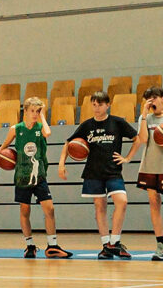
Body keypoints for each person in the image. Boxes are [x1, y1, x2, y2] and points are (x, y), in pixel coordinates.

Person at [59, 90, 140, 259]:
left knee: (122, 202)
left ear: (108, 105)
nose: (96, 108)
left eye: (100, 105)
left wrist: (127, 158)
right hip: (93, 172)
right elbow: (68, 142)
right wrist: (61, 164)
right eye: (94, 105)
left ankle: (114, 241)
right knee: (99, 206)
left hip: (113, 171)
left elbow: (137, 139)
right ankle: (106, 245)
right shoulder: (87, 125)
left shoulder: (117, 122)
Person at [0, 97, 72, 258]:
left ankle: (52, 245)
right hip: (22, 176)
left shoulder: (40, 127)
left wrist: (43, 115)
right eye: (32, 111)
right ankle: (29, 245)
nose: (35, 114)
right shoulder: (16, 129)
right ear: (25, 111)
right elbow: (2, 149)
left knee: (49, 208)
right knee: (25, 209)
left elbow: (48, 133)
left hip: (39, 174)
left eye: (38, 111)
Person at [135, 87, 163, 259]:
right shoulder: (145, 118)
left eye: (154, 98)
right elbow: (144, 139)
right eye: (148, 99)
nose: (152, 102)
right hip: (151, 166)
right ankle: (160, 244)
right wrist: (144, 116)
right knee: (154, 203)